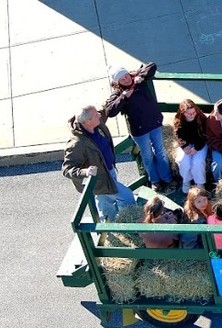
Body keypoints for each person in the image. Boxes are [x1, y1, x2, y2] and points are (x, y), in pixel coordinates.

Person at [104, 63, 174, 192]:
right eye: (122, 79)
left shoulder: (138, 79)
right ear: (117, 82)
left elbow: (151, 66)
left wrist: (141, 76)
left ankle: (168, 178)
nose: (126, 79)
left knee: (160, 152)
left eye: (126, 75)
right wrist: (124, 97)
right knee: (147, 156)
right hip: (140, 130)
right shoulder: (119, 93)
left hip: (154, 123)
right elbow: (109, 111)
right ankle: (155, 181)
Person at [61, 105, 135, 222]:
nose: (99, 115)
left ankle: (108, 229)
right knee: (126, 196)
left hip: (109, 171)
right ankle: (126, 223)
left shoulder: (96, 124)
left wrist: (119, 94)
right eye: (96, 115)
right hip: (100, 180)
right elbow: (66, 169)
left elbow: (106, 109)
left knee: (106, 203)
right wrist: (85, 171)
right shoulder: (77, 144)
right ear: (87, 121)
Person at [172, 99, 208, 194]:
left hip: (199, 143)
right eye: (188, 114)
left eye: (193, 112)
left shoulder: (202, 119)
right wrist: (185, 147)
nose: (191, 115)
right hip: (186, 143)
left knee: (198, 161)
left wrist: (197, 148)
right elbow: (178, 135)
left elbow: (205, 136)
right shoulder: (179, 120)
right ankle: (186, 180)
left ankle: (200, 183)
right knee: (183, 160)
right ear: (183, 113)